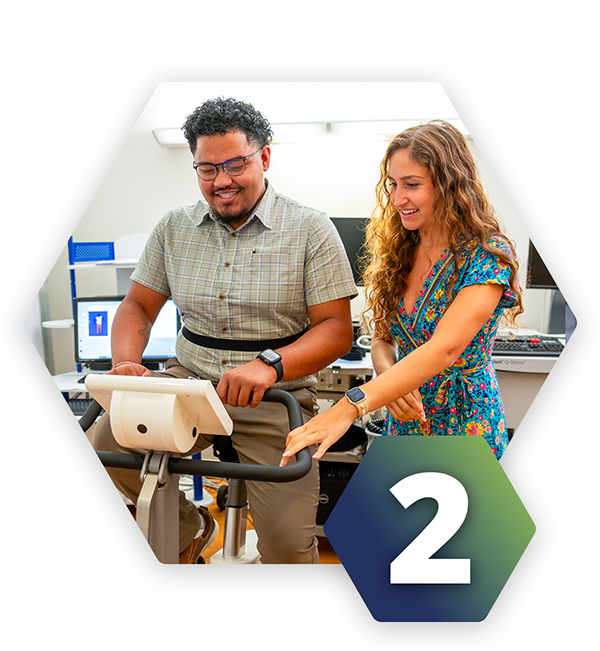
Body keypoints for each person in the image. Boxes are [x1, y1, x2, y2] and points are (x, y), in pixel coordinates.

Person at [87, 97, 357, 564]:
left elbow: (335, 330)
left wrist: (270, 365)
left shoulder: (311, 229)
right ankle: (189, 526)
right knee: (103, 442)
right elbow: (138, 306)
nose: (222, 181)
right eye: (206, 169)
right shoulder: (174, 227)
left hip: (276, 398)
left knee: (287, 550)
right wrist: (125, 364)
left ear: (264, 157)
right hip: (188, 384)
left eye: (235, 165)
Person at [281, 120, 523, 467]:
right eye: (393, 184)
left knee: (461, 521)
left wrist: (351, 405)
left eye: (412, 185)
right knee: (396, 521)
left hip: (465, 423)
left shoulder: (485, 254)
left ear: (449, 185)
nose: (398, 199)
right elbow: (381, 339)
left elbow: (444, 350)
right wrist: (389, 379)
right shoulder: (401, 250)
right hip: (404, 418)